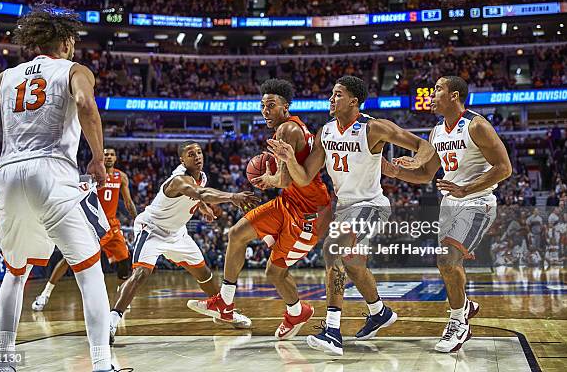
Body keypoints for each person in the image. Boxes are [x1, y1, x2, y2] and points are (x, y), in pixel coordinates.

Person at [0, 4, 118, 371]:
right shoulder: (75, 70)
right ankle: (102, 364)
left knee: (15, 272)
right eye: (72, 39)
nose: (74, 45)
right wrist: (95, 157)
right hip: (52, 171)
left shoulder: (7, 77)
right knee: (89, 268)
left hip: (9, 176)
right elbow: (85, 104)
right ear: (63, 40)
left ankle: (5, 362)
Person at [268, 75, 435, 356]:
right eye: (331, 94)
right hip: (346, 206)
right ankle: (379, 311)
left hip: (371, 204)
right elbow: (305, 176)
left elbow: (423, 146)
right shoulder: (326, 131)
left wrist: (415, 161)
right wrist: (288, 160)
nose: (331, 99)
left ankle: (332, 331)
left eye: (338, 95)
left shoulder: (374, 128)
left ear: (354, 101)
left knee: (333, 252)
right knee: (354, 265)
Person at [188, 79, 332, 340]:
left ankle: (297, 311)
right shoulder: (288, 128)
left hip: (309, 213)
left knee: (274, 272)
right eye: (262, 105)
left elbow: (287, 180)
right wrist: (272, 178)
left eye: (271, 105)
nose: (265, 110)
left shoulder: (288, 129)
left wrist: (269, 180)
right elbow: (286, 182)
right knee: (236, 233)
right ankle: (225, 303)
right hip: (289, 202)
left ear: (285, 107)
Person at [382, 75, 512, 352]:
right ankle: (465, 305)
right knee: (449, 264)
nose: (432, 95)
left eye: (438, 89)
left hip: (477, 201)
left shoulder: (477, 126)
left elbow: (504, 168)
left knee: (447, 259)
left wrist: (466, 189)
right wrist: (397, 172)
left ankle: (458, 322)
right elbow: (427, 174)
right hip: (450, 203)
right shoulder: (436, 132)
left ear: (454, 95)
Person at [110, 141, 259, 343]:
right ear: (182, 160)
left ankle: (224, 311)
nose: (197, 156)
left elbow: (198, 196)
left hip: (177, 233)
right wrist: (232, 196)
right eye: (191, 154)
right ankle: (111, 322)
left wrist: (203, 208)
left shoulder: (202, 177)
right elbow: (198, 193)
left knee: (204, 273)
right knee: (142, 273)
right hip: (152, 229)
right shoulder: (178, 180)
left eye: (199, 152)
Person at [32, 147, 137, 311]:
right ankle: (45, 294)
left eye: (111, 154)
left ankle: (121, 294)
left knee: (124, 259)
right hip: (93, 222)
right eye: (105, 154)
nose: (108, 157)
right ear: (101, 156)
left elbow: (128, 202)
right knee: (70, 259)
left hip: (112, 225)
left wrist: (137, 219)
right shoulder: (91, 176)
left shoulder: (121, 177)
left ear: (116, 158)